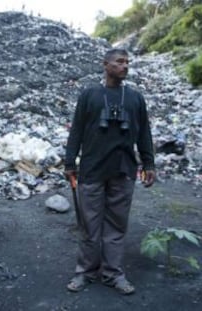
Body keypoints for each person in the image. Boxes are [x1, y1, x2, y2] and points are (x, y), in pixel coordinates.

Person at [64, 48, 156, 295]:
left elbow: (144, 133)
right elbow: (77, 130)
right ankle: (85, 272)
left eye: (127, 62)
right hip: (92, 169)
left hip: (124, 169)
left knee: (116, 226)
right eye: (119, 62)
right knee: (89, 225)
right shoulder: (89, 95)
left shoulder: (135, 98)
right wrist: (69, 162)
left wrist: (149, 163)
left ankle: (112, 273)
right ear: (106, 65)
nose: (125, 66)